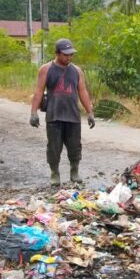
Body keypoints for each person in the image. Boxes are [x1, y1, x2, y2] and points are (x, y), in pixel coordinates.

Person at [30, 38, 96, 187]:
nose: (69, 57)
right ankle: (55, 172)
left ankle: (74, 171)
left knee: (75, 146)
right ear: (57, 53)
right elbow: (39, 91)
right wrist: (33, 112)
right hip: (54, 115)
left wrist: (90, 112)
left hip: (72, 115)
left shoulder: (77, 71)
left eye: (71, 54)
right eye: (66, 54)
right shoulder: (46, 69)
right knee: (54, 147)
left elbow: (82, 91)